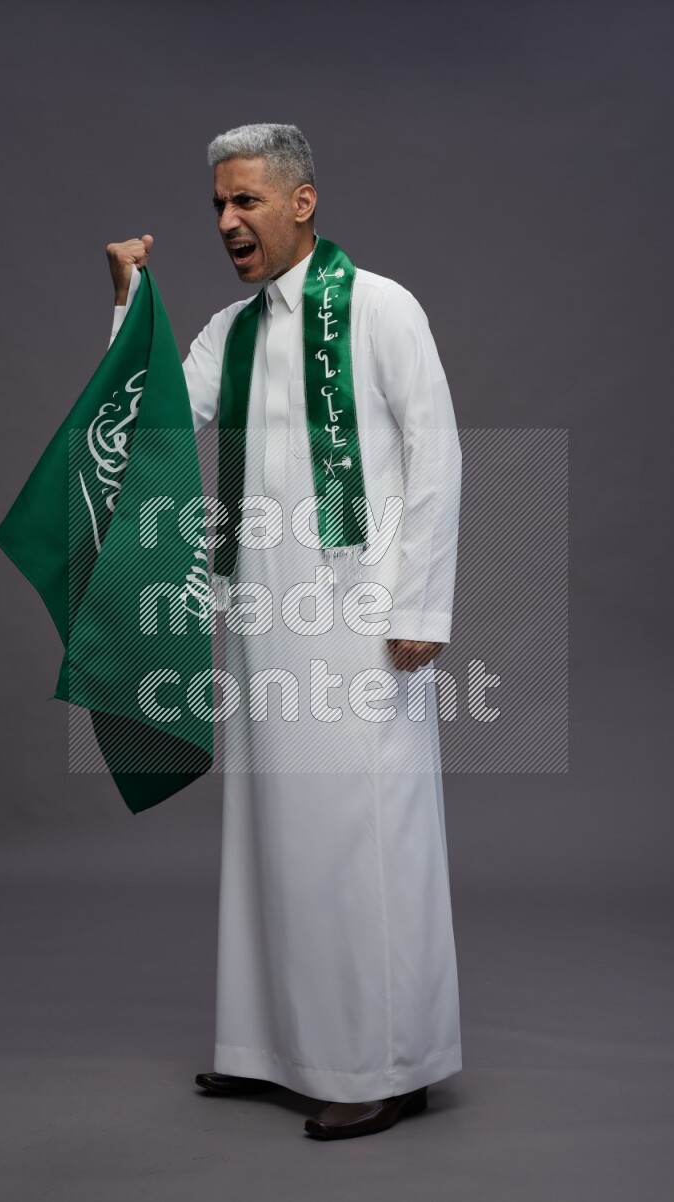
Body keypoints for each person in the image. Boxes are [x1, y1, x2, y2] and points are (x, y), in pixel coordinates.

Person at [106, 123, 463, 1140]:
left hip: (360, 620)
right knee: (274, 837)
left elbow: (435, 455)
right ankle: (272, 1046)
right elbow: (160, 420)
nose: (225, 221)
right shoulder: (233, 328)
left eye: (245, 201)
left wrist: (419, 607)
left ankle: (385, 1059)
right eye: (216, 204)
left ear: (301, 202)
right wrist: (131, 302)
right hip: (264, 617)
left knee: (362, 838)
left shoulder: (381, 308)